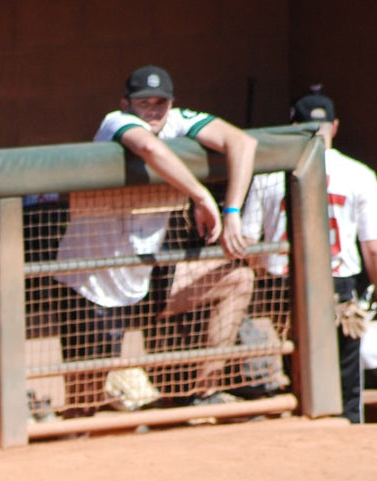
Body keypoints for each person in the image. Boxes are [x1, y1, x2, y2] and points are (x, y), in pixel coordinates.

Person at [54, 65, 258, 409]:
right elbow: (149, 149)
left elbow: (243, 142)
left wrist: (232, 212)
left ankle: (204, 393)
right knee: (83, 405)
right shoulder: (115, 122)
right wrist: (202, 196)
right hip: (92, 285)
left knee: (238, 279)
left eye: (160, 102)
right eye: (143, 102)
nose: (152, 109)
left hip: (147, 279)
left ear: (171, 103)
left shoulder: (176, 121)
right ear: (126, 103)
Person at [242, 87, 377, 423]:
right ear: (334, 127)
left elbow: (248, 242)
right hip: (336, 285)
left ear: (294, 126)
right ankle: (347, 432)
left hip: (281, 285)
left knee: (289, 375)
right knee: (342, 376)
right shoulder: (358, 173)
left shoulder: (268, 173)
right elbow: (373, 248)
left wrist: (262, 282)